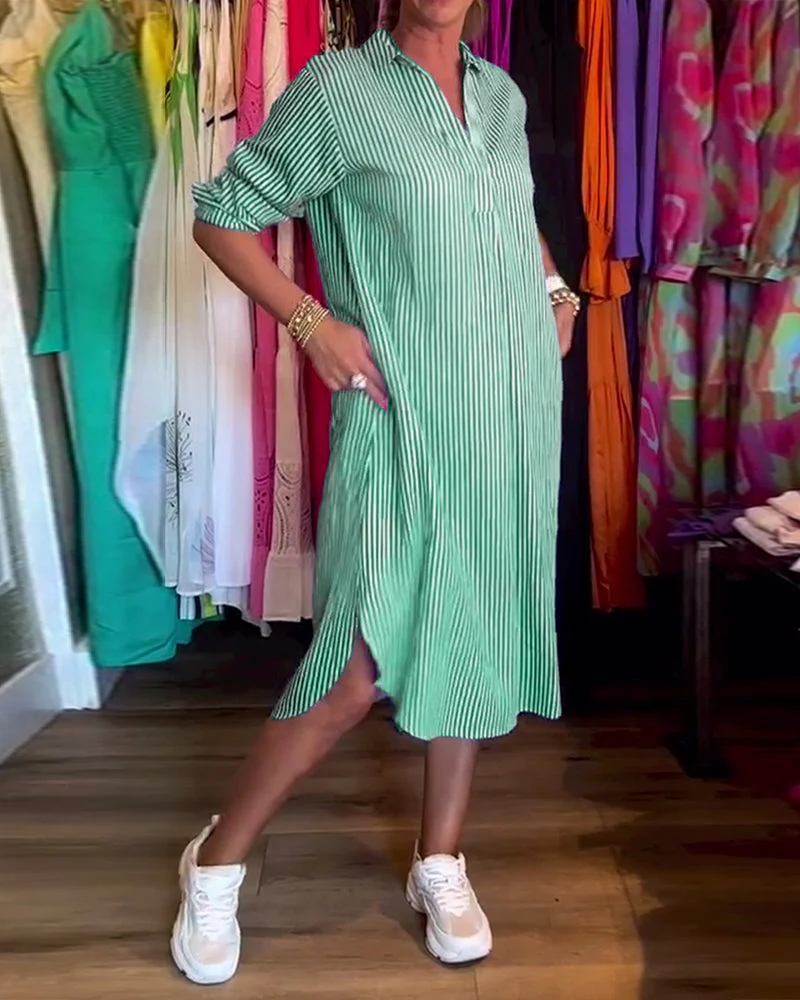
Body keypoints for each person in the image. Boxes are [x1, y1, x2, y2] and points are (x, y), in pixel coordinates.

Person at [171, 0, 579, 985]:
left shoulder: (500, 96)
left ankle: (440, 858)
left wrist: (557, 290)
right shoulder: (338, 91)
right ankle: (216, 859)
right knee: (356, 662)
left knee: (474, 628)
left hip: (510, 415)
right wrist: (308, 321)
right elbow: (221, 217)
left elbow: (509, 213)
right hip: (400, 418)